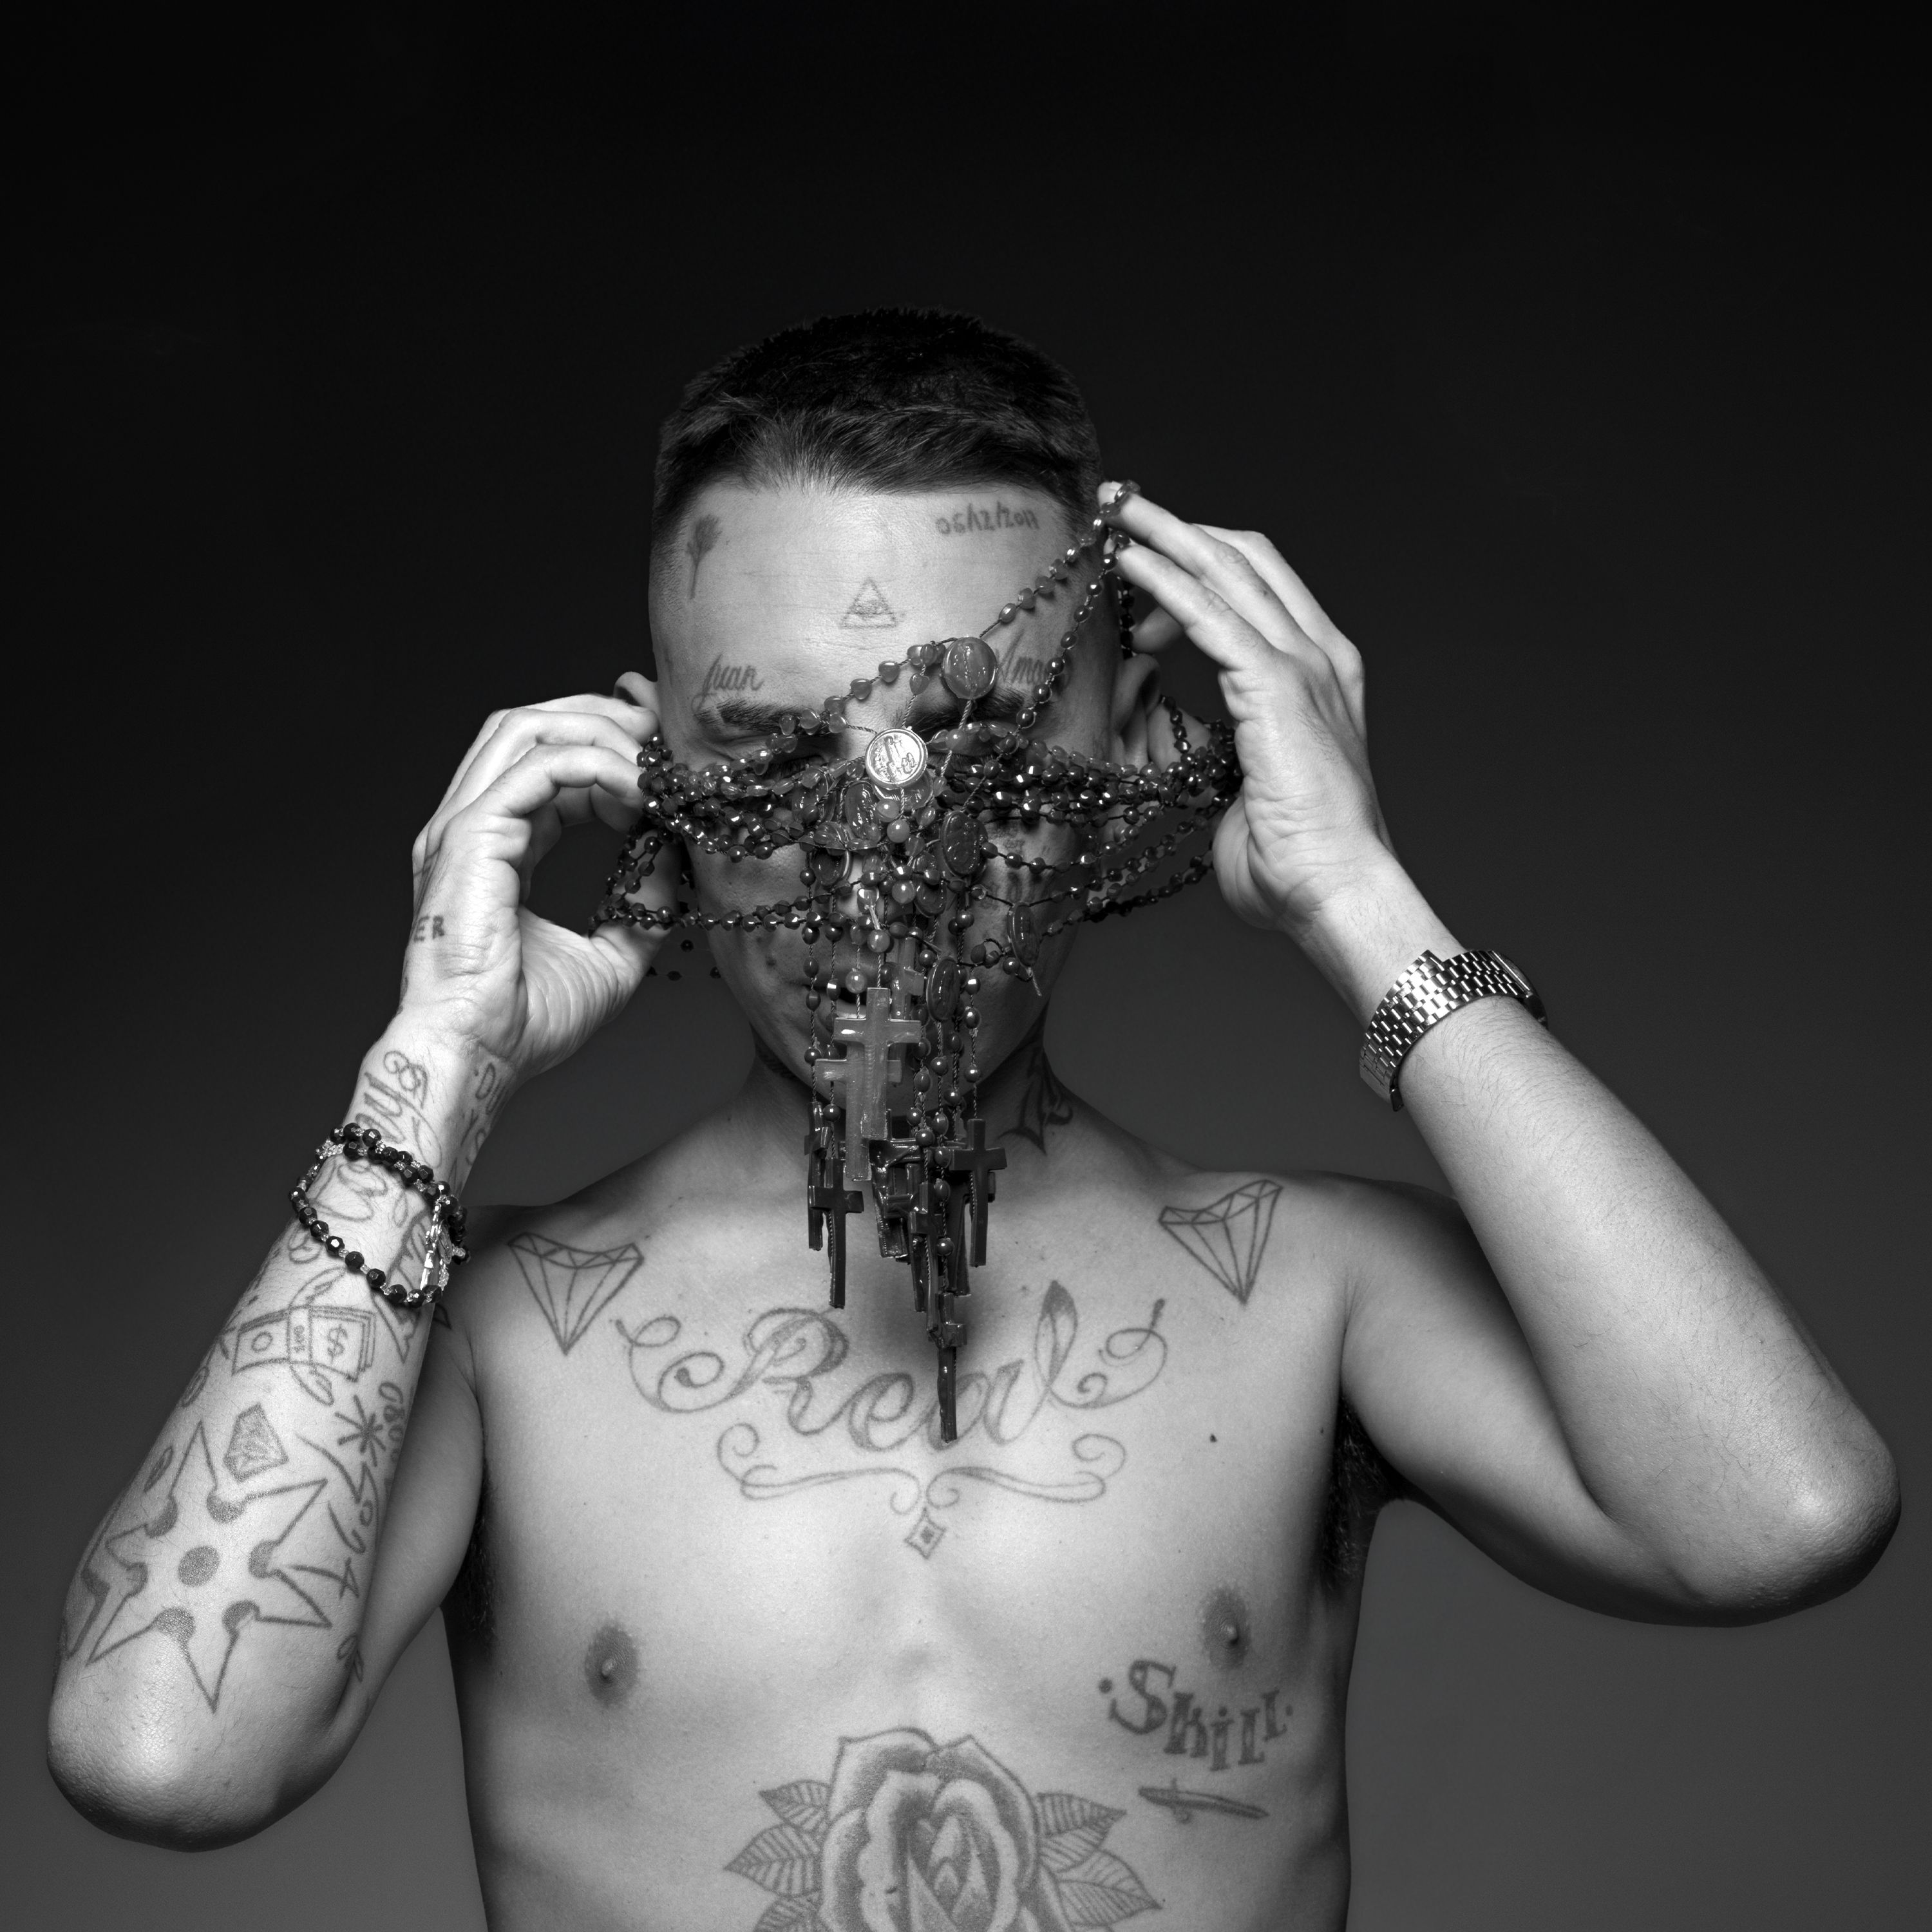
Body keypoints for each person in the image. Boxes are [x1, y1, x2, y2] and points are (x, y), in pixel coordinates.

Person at [48, 310, 1898, 1932]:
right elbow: (159, 1755)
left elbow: (1782, 1516)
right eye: (773, 751)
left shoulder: (1308, 1291)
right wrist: (434, 1066)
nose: (884, 856)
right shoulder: (502, 1336)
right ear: (650, 774)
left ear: (1142, 746)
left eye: (983, 746)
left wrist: (1360, 898)